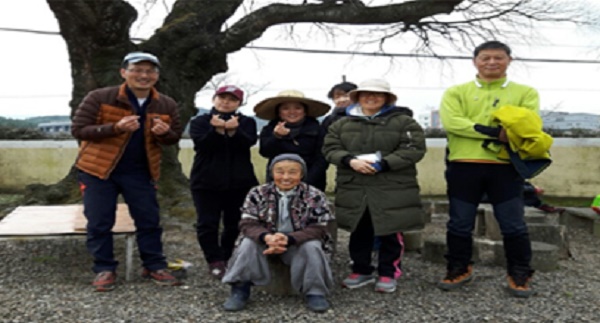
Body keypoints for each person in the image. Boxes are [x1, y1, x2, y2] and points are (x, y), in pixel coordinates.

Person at [71, 52, 183, 291]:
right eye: (137, 70)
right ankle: (104, 269)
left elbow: (173, 138)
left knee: (149, 220)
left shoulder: (166, 104)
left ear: (157, 76)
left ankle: (154, 265)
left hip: (141, 172)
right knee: (99, 222)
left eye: (150, 71)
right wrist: (115, 127)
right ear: (124, 72)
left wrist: (165, 133)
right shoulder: (100, 97)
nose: (144, 75)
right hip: (98, 171)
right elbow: (79, 130)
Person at [438, 40, 540, 298]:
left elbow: (526, 125)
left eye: (498, 57)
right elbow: (453, 123)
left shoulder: (525, 92)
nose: (492, 62)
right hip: (463, 165)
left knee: (513, 225)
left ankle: (520, 272)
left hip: (505, 167)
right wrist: (494, 132)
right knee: (459, 223)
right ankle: (459, 267)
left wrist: (504, 130)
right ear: (475, 61)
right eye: (485, 58)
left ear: (509, 60)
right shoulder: (456, 92)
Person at [322, 78, 426, 293]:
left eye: (378, 94)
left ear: (387, 98)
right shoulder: (341, 124)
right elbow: (330, 148)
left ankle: (389, 272)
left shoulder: (404, 122)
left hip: (391, 185)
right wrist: (350, 160)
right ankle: (361, 269)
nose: (371, 98)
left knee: (390, 230)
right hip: (355, 185)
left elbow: (413, 149)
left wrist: (384, 164)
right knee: (359, 230)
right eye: (366, 94)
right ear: (358, 97)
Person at [222, 153, 335, 313]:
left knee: (313, 247)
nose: (286, 177)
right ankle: (240, 289)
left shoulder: (314, 195)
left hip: (298, 242)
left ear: (301, 174)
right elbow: (247, 222)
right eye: (280, 172)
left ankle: (315, 291)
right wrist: (267, 237)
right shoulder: (257, 192)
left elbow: (319, 227)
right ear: (271, 172)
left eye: (292, 172)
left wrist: (289, 239)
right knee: (247, 243)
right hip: (265, 241)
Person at [189, 85, 259, 279]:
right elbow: (202, 145)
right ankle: (214, 260)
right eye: (222, 98)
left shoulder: (247, 122)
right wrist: (217, 131)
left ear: (239, 103)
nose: (225, 102)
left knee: (234, 222)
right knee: (207, 223)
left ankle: (229, 256)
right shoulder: (200, 121)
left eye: (232, 99)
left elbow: (248, 143)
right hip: (205, 182)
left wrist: (234, 132)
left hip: (239, 182)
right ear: (214, 99)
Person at [255, 90, 330, 191]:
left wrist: (306, 182)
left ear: (305, 111)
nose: (292, 112)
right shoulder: (269, 129)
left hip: (312, 182)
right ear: (279, 112)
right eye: (285, 108)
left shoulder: (318, 130)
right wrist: (276, 136)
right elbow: (265, 152)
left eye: (297, 108)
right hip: (278, 181)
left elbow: (322, 159)